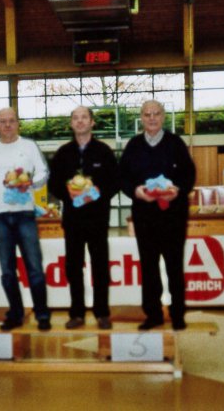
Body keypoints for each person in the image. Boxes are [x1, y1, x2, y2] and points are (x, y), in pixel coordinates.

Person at [119, 99, 196, 331]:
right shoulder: (133, 145)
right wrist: (136, 191)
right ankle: (152, 314)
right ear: (141, 118)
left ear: (163, 116)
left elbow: (189, 175)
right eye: (147, 114)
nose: (152, 118)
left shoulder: (176, 144)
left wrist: (177, 190)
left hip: (173, 217)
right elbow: (123, 177)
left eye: (156, 113)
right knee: (149, 267)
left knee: (174, 266)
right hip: (145, 217)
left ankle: (178, 314)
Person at [0, 107, 51, 331]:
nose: (8, 125)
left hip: (25, 214)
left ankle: (42, 314)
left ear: (18, 123)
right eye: (3, 121)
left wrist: (29, 182)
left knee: (35, 268)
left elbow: (43, 172)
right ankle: (16, 313)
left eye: (12, 120)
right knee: (7, 271)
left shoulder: (29, 146)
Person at [48, 106, 119, 330]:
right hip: (73, 220)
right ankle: (77, 313)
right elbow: (53, 184)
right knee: (73, 267)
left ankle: (102, 313)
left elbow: (115, 182)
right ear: (71, 123)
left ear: (92, 122)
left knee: (100, 266)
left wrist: (97, 192)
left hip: (98, 219)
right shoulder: (63, 153)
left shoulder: (104, 151)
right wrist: (67, 192)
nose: (80, 121)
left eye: (84, 117)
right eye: (76, 118)